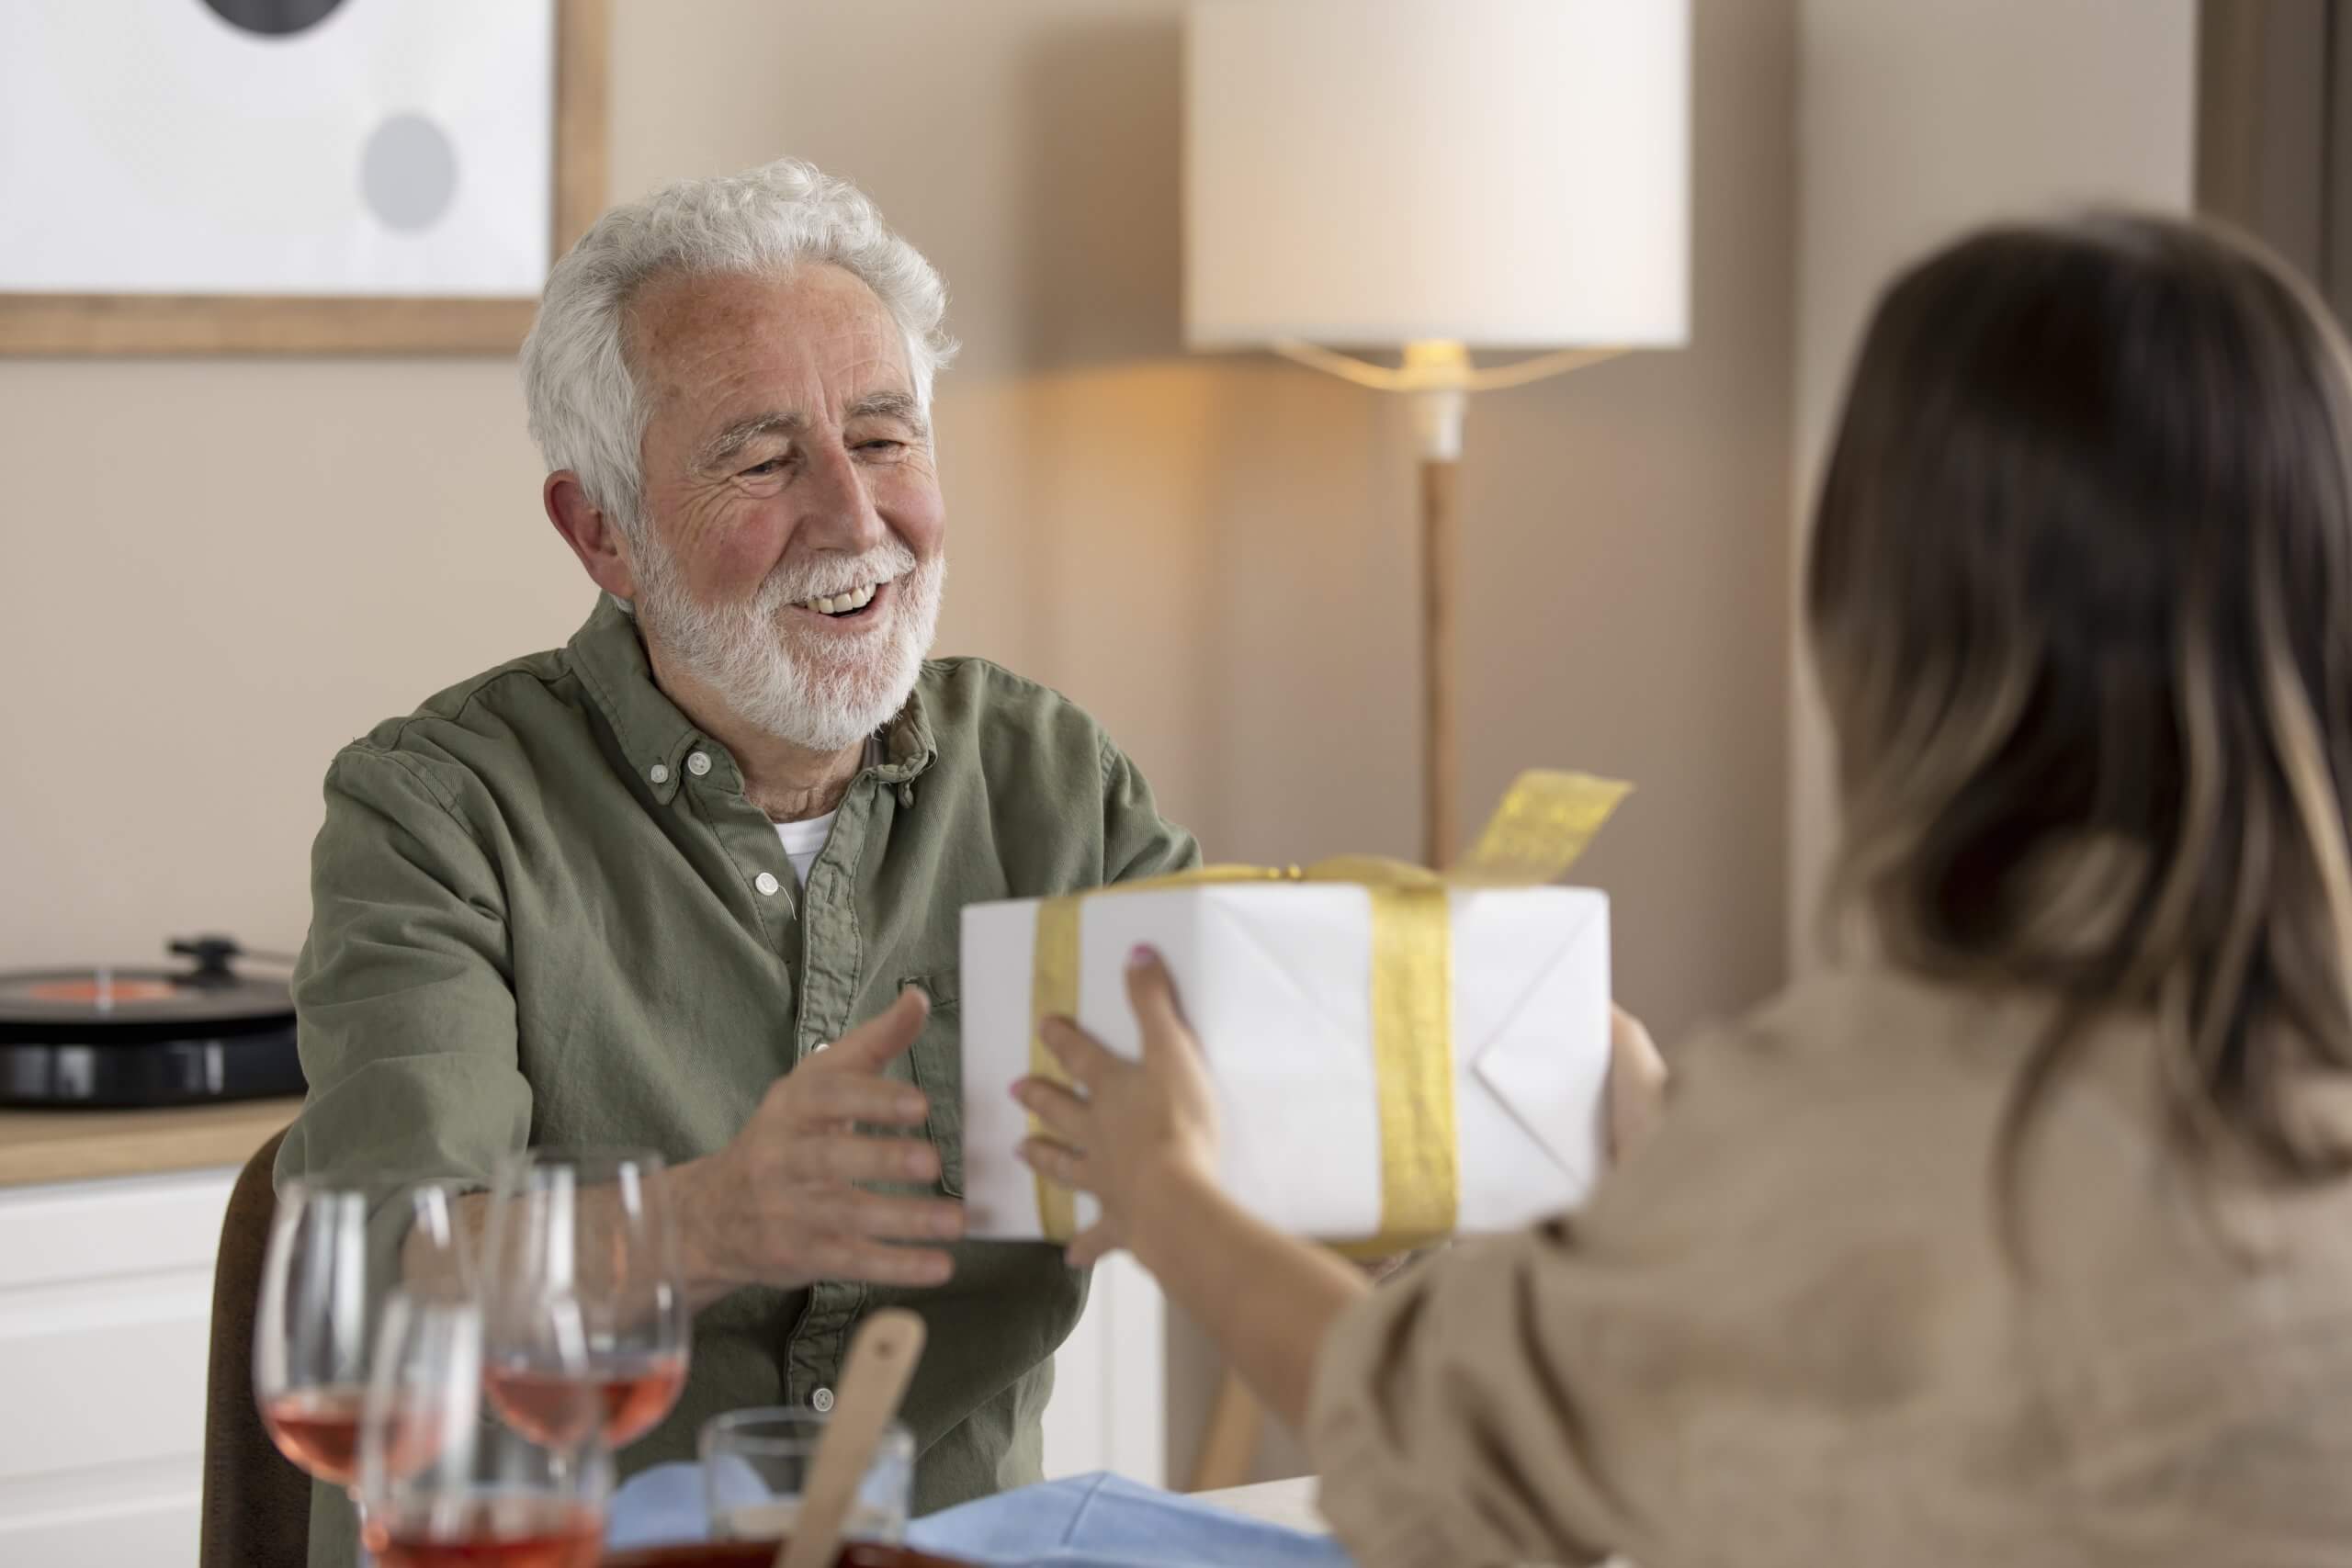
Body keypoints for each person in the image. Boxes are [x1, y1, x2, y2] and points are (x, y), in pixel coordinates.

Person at [1018, 213, 2352, 1566]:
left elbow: (1429, 1444)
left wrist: (1167, 1191)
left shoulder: (1868, 1125)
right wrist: (1686, 1195)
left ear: (1880, 624)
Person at [276, 157, 1197, 1565]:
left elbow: (1280, 1136)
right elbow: (394, 1287)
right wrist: (708, 1223)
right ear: (603, 533)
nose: (853, 516)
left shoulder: (1053, 781)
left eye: (884, 440)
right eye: (764, 460)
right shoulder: (438, 808)